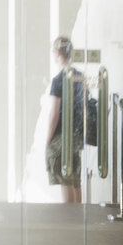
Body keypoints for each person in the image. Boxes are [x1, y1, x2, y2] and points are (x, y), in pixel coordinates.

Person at [46, 35, 86, 204]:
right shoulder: (79, 76)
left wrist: (48, 139)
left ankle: (69, 218)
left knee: (65, 178)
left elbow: (54, 114)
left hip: (63, 134)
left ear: (57, 53)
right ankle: (78, 217)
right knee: (75, 179)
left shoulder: (58, 80)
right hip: (77, 134)